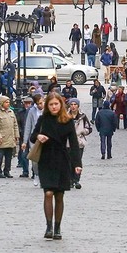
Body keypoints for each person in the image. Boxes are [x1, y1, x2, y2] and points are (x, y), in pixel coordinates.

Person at [30, 93, 82, 240]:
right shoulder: (43, 119)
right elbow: (32, 137)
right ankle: (48, 226)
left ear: (60, 105)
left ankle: (58, 227)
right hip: (46, 159)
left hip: (62, 160)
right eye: (51, 104)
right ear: (47, 106)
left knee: (59, 195)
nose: (53, 107)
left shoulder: (67, 121)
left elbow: (73, 144)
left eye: (56, 104)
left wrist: (77, 164)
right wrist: (39, 137)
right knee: (48, 193)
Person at [0, 95, 19, 179]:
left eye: (9, 102)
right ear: (2, 103)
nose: (8, 104)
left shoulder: (11, 112)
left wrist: (16, 135)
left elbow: (15, 125)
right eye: (6, 102)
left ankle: (7, 171)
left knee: (8, 157)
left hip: (10, 138)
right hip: (2, 138)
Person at [67, 99, 91, 189]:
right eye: (71, 104)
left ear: (78, 106)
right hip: (68, 142)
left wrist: (83, 131)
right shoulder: (65, 115)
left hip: (78, 142)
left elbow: (89, 128)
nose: (73, 106)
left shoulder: (82, 116)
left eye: (75, 104)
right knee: (68, 162)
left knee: (77, 161)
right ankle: (69, 180)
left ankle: (76, 180)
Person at [23, 94, 45, 186]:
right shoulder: (32, 111)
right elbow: (28, 126)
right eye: (38, 103)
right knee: (35, 160)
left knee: (44, 159)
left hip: (45, 137)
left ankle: (43, 176)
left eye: (42, 102)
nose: (41, 105)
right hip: (34, 138)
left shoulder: (48, 110)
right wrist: (24, 141)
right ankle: (36, 174)